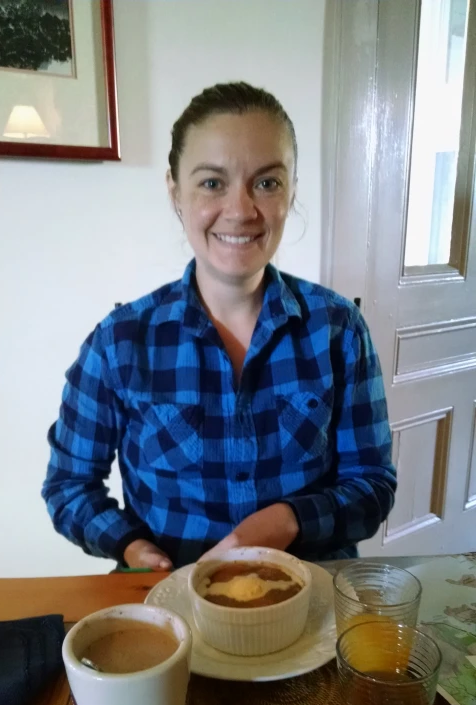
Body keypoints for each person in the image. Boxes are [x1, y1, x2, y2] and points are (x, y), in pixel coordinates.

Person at [42, 81, 397, 572]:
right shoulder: (120, 342)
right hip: (173, 604)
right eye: (212, 183)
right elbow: (68, 486)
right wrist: (130, 546)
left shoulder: (338, 329)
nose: (240, 210)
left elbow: (372, 484)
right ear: (175, 192)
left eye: (267, 182)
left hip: (307, 602)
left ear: (292, 190)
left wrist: (286, 521)